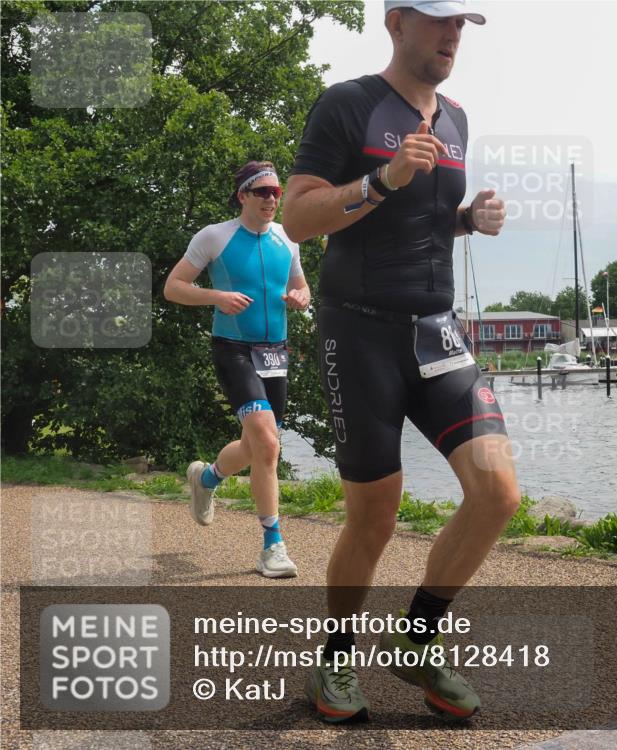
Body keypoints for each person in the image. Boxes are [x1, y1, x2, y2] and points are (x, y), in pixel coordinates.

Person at [283, 0, 519, 724]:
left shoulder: (456, 118)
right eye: (440, 22)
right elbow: (298, 215)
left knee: (497, 492)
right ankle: (336, 662)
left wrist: (465, 219)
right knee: (374, 520)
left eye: (463, 25)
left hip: (435, 329)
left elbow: (421, 216)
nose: (453, 36)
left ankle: (416, 641)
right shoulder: (347, 105)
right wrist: (379, 179)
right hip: (358, 332)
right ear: (397, 24)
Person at [165, 161, 310, 579]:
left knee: (258, 447)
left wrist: (300, 296)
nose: (271, 199)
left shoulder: (288, 237)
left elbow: (301, 285)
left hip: (275, 351)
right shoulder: (215, 236)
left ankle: (206, 478)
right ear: (243, 195)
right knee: (267, 442)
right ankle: (272, 545)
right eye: (262, 192)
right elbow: (174, 287)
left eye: (277, 193)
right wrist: (216, 297)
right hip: (233, 348)